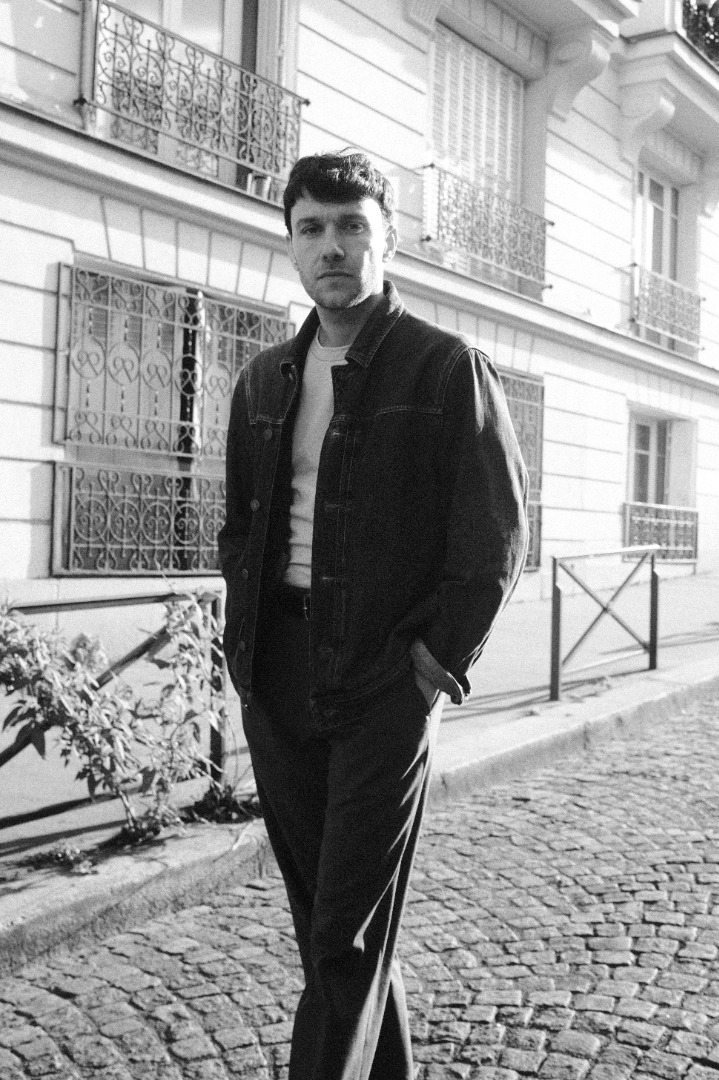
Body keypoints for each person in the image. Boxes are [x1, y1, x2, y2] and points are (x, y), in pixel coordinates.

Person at [218, 151, 529, 1080]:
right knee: (330, 926)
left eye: (352, 226)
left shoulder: (444, 368)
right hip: (277, 673)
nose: (332, 247)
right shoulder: (263, 380)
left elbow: (496, 535)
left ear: (387, 240)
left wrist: (431, 665)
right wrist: (245, 654)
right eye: (311, 228)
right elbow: (240, 526)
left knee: (344, 935)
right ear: (289, 243)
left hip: (382, 679)